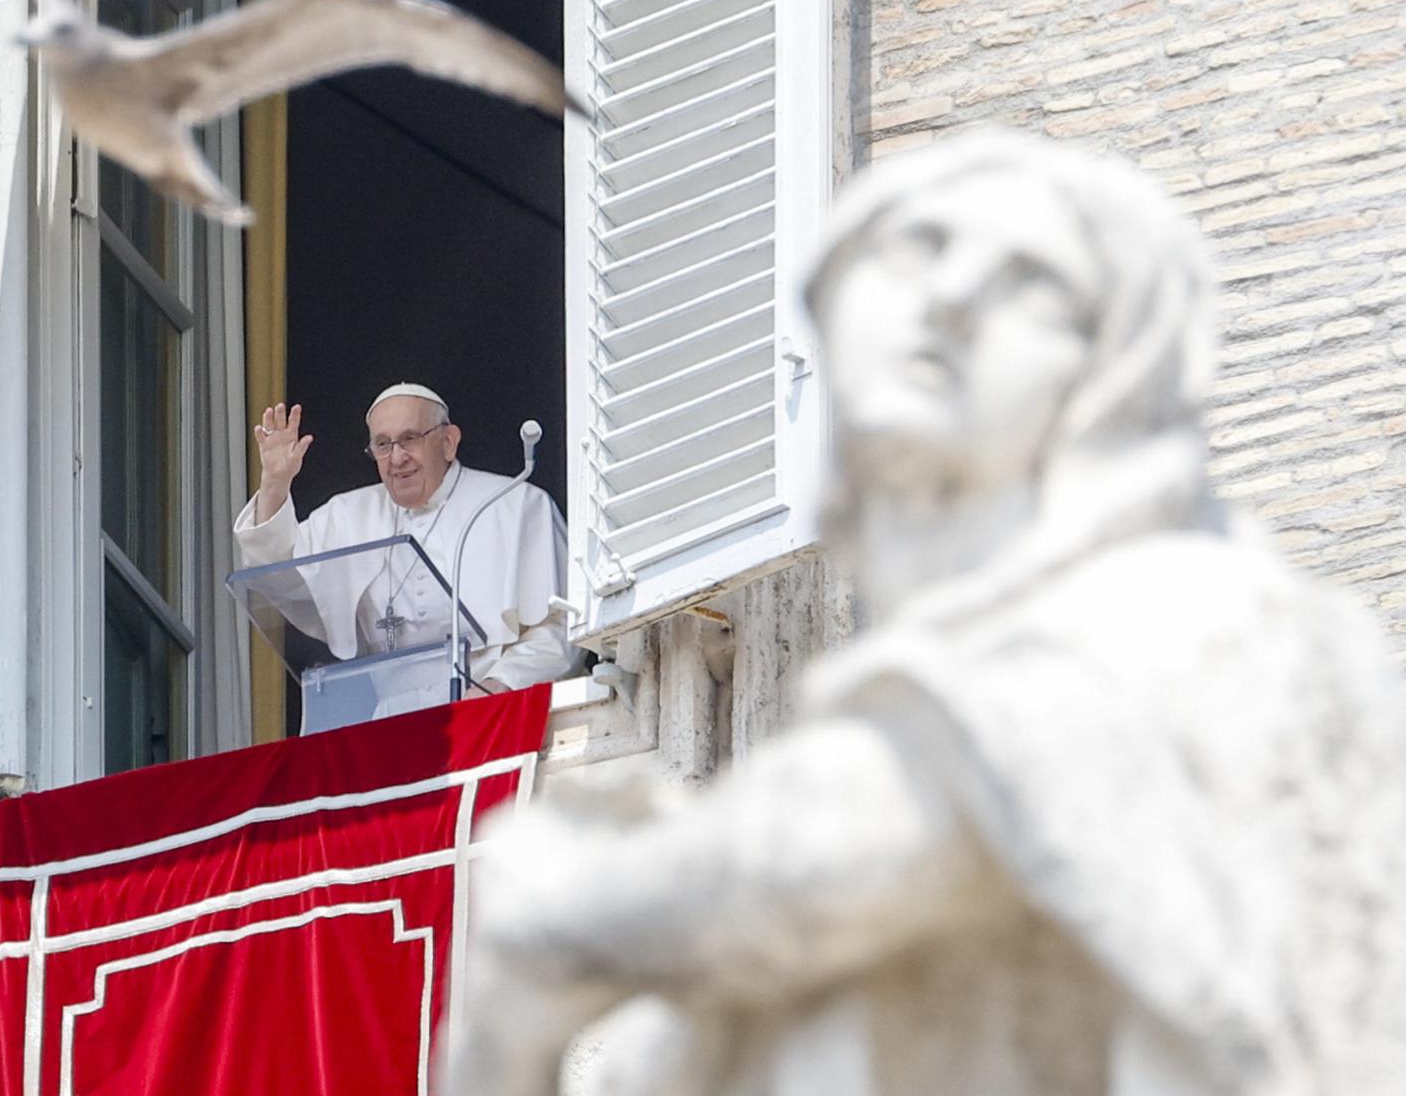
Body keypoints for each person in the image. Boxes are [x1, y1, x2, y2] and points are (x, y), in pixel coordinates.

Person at [445, 131, 1406, 1096]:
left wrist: (570, 925)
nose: (947, 300)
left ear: (1115, 370)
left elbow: (838, 847)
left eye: (1029, 281)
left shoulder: (1161, 619)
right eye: (915, 253)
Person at [234, 383, 574, 717]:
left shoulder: (516, 505)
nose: (397, 458)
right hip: (390, 727)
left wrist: (501, 684)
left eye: (410, 438)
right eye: (382, 444)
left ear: (449, 442)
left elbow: (563, 629)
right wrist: (275, 485)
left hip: (491, 715)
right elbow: (276, 578)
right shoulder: (347, 516)